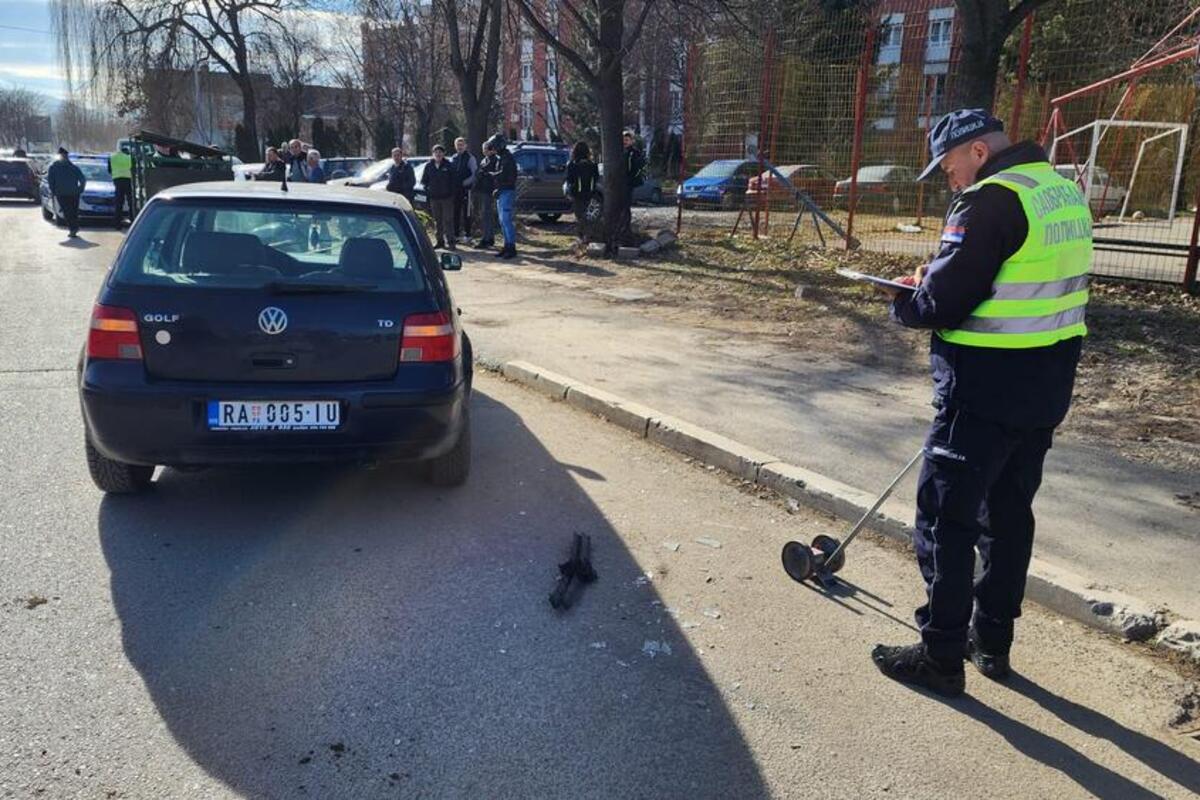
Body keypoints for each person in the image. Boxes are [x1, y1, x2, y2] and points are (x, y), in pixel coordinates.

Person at [871, 109, 1092, 698]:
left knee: (946, 519)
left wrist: (903, 297)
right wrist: (944, 276)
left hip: (981, 388)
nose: (950, 180)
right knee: (1009, 517)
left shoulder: (988, 200)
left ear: (976, 152)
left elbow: (942, 304)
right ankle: (992, 640)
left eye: (948, 167)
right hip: (1045, 385)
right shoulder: (1061, 193)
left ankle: (940, 654)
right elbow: (1020, 277)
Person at [485, 133, 518, 259]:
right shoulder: (502, 157)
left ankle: (511, 247)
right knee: (502, 221)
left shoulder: (507, 158)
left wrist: (492, 175)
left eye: (493, 146)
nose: (492, 149)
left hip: (507, 191)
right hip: (502, 190)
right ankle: (506, 245)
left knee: (506, 220)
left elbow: (505, 175)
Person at [612, 129, 645, 252]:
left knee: (625, 207)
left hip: (628, 184)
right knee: (620, 206)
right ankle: (620, 229)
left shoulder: (634, 153)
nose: (625, 142)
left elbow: (639, 167)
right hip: (620, 183)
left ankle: (625, 231)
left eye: (627, 140)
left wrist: (631, 179)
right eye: (623, 140)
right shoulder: (620, 152)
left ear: (632, 141)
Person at [565, 141, 599, 252]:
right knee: (588, 216)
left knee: (579, 216)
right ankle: (587, 237)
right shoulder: (592, 165)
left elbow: (569, 179)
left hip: (577, 194)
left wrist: (569, 192)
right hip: (590, 193)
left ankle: (581, 238)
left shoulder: (572, 164)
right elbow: (596, 178)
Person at [47, 147, 86, 238]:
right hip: (74, 193)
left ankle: (73, 229)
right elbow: (83, 179)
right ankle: (74, 227)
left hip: (61, 193)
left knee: (67, 212)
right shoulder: (73, 167)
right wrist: (80, 189)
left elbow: (50, 181)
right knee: (73, 211)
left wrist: (53, 191)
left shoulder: (53, 168)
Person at [424, 144, 457, 250]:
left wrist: (451, 194)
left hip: (447, 198)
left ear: (443, 154)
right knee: (437, 221)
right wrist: (428, 191)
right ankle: (440, 241)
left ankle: (451, 242)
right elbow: (425, 181)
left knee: (448, 220)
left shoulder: (449, 165)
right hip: (434, 198)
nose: (438, 154)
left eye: (440, 152)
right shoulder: (429, 166)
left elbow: (454, 181)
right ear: (433, 154)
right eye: (436, 152)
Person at [451, 137, 478, 242]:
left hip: (467, 190)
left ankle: (468, 235)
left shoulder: (470, 158)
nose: (460, 147)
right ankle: (456, 235)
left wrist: (464, 183)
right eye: (458, 145)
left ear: (465, 146)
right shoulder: (454, 158)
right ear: (455, 146)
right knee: (455, 212)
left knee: (467, 213)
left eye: (461, 145)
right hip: (455, 190)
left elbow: (474, 174)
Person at [472, 140, 498, 249]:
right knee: (485, 215)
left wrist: (483, 174)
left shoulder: (495, 160)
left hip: (489, 191)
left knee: (487, 215)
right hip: (482, 190)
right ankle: (489, 238)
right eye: (484, 149)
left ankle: (487, 239)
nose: (485, 151)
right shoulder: (484, 160)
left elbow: (493, 175)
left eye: (487, 149)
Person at [107, 141, 133, 229]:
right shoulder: (130, 157)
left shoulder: (112, 157)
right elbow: (134, 169)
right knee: (131, 202)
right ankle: (133, 221)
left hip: (117, 180)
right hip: (128, 180)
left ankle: (117, 224)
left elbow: (109, 170)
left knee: (119, 203)